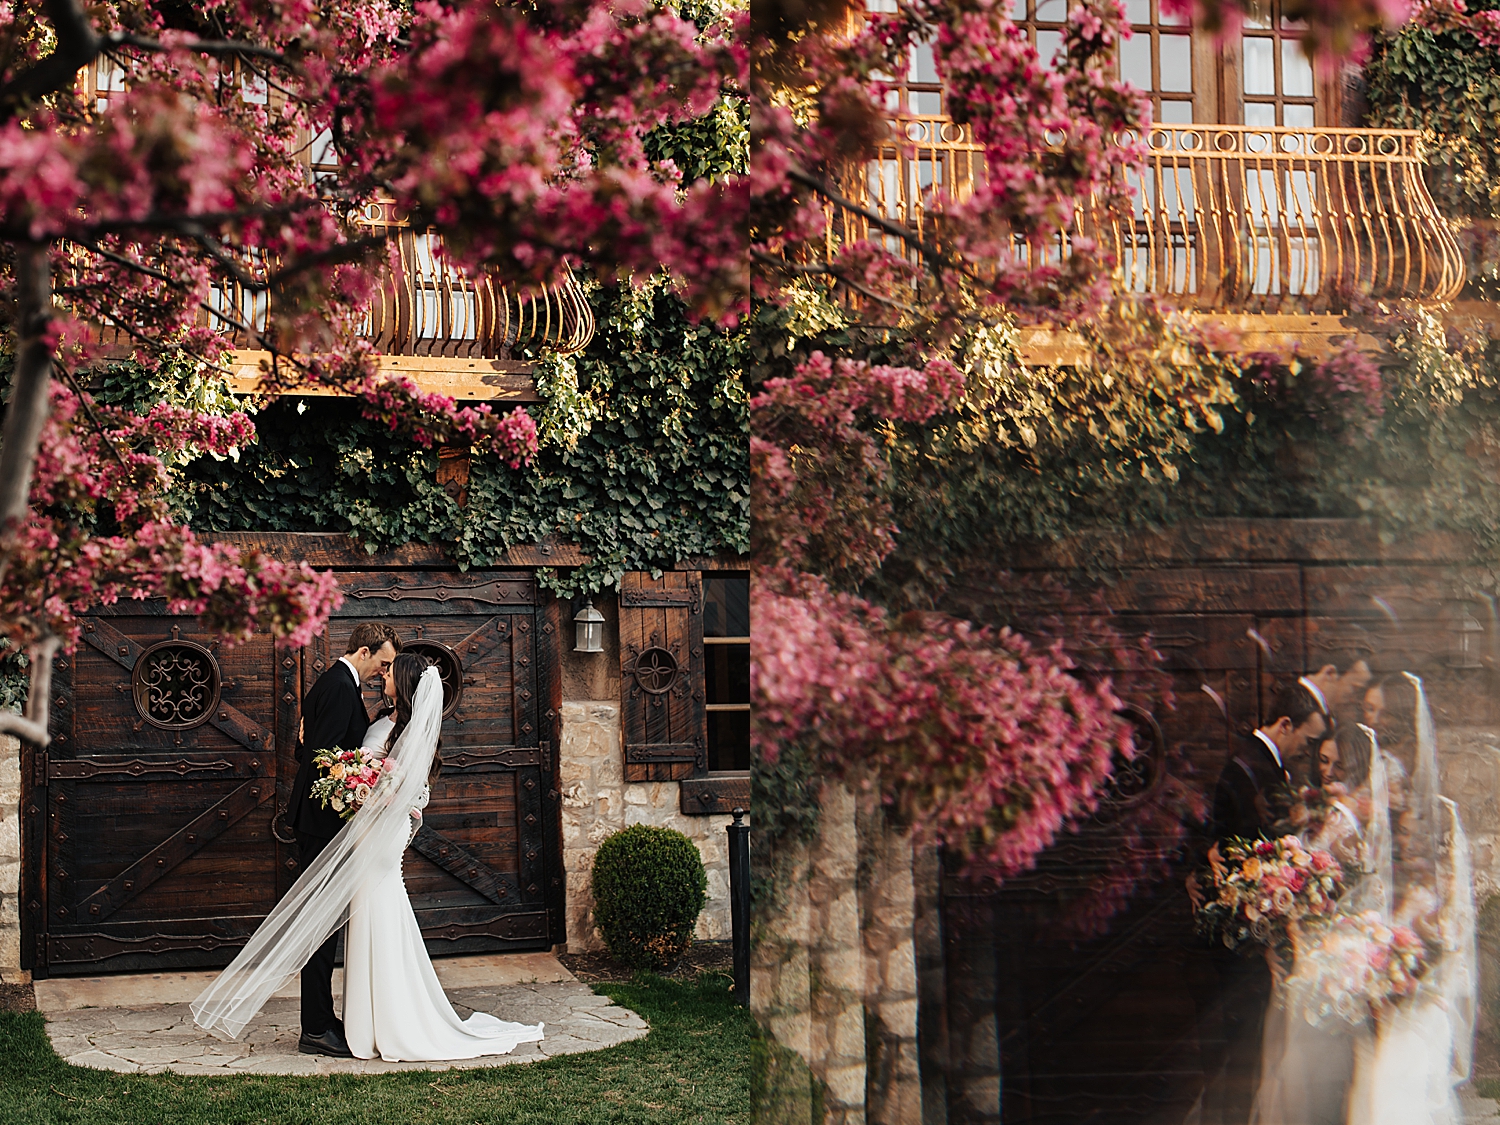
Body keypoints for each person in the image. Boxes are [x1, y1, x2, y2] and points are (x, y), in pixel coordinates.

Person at [192, 658, 545, 1062]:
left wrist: (357, 788)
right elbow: (356, 761)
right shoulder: (384, 719)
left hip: (378, 832)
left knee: (377, 910)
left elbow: (394, 786)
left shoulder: (403, 731)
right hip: (367, 829)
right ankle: (369, 1020)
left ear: (406, 683)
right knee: (370, 915)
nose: (385, 674)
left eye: (392, 670)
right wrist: (331, 763)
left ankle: (387, 1022)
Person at [1202, 685, 1328, 1125]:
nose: (1306, 751)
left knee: (1252, 1050)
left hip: (1259, 929)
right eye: (1307, 742)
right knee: (1244, 1049)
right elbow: (1236, 847)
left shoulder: (1265, 766)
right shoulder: (1249, 768)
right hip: (1244, 938)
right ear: (1285, 725)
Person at [286, 621, 400, 1058]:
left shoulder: (340, 685)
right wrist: (360, 783)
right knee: (319, 927)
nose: (383, 672)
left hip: (322, 822)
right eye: (383, 662)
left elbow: (310, 750)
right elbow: (324, 763)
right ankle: (314, 1027)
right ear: (365, 650)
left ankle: (321, 1017)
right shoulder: (338, 686)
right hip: (321, 826)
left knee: (325, 925)